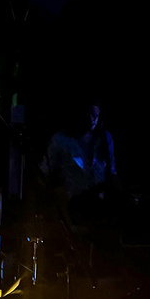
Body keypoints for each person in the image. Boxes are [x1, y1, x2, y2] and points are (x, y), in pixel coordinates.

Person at [41, 96, 119, 229]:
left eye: (96, 116)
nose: (92, 119)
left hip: (100, 210)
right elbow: (44, 173)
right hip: (72, 210)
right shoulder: (61, 140)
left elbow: (111, 172)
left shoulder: (105, 138)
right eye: (89, 114)